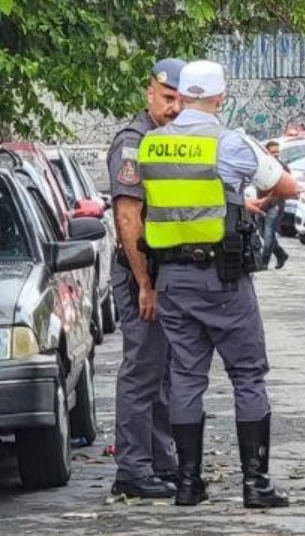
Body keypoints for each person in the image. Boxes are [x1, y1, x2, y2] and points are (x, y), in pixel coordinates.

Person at [138, 60, 298, 508]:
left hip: (171, 278)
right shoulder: (230, 142)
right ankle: (256, 485)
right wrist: (252, 199)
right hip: (223, 279)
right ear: (221, 98)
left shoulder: (151, 145)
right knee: (248, 376)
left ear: (181, 96)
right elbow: (289, 186)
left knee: (186, 379)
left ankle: (187, 484)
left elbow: (177, 201)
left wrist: (229, 202)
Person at [107, 58, 185, 500]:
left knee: (163, 371)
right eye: (167, 97)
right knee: (142, 371)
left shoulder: (168, 141)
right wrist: (144, 284)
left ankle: (160, 459)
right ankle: (133, 469)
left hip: (166, 273)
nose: (174, 107)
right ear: (149, 93)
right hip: (143, 273)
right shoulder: (133, 143)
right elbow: (127, 215)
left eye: (180, 99)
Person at [259, 141, 289, 269]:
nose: (276, 155)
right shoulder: (261, 164)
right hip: (261, 203)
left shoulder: (282, 167)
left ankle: (263, 261)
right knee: (261, 232)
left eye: (278, 152)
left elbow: (288, 184)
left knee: (268, 234)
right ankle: (280, 253)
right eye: (273, 152)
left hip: (275, 204)